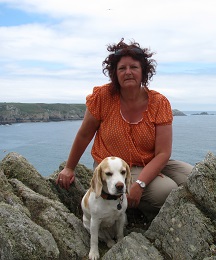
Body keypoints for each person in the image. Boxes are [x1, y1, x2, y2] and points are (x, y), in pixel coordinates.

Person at [56, 38, 193, 218]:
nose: (128, 72)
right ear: (115, 73)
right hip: (115, 166)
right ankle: (133, 211)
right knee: (166, 191)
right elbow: (84, 135)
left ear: (143, 71)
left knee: (195, 177)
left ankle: (133, 199)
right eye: (122, 68)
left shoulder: (158, 102)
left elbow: (163, 153)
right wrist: (69, 168)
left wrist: (140, 183)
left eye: (134, 67)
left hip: (149, 160)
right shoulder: (103, 97)